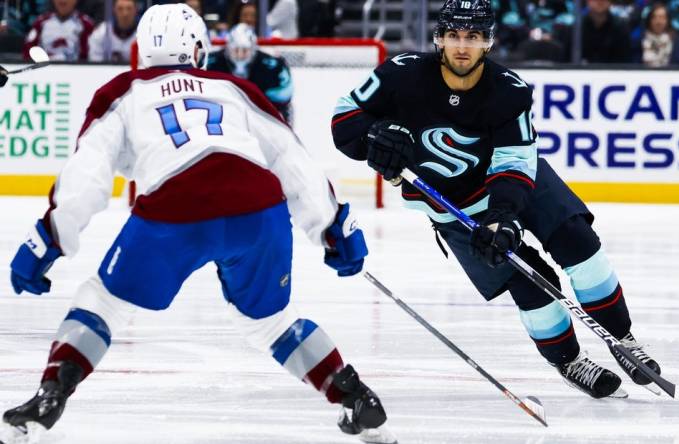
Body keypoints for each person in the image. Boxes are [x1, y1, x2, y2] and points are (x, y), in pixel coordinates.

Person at [1, 4, 395, 444]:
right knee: (272, 322)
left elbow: (86, 175)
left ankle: (51, 395)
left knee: (103, 302)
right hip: (258, 208)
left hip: (177, 208)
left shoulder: (124, 90)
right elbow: (292, 158)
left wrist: (50, 238)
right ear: (197, 49)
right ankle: (352, 395)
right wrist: (332, 226)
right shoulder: (235, 88)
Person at [331, 0, 662, 399]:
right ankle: (569, 360)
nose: (462, 47)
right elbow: (345, 118)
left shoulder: (509, 91)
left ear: (488, 42)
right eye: (453, 35)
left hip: (517, 184)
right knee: (529, 284)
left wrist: (504, 217)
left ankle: (622, 338)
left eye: (472, 37)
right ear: (439, 38)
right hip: (451, 207)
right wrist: (373, 138)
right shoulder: (402, 74)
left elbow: (515, 160)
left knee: (578, 242)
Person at [207, 23, 294, 124]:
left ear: (253, 49)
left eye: (244, 50)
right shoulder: (211, 63)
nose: (240, 55)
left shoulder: (272, 67)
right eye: (236, 50)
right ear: (228, 49)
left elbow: (282, 100)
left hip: (263, 119)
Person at [23, 0, 94, 61]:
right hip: (44, 72)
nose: (63, 1)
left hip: (75, 72)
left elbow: (90, 55)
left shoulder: (86, 24)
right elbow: (28, 52)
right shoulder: (40, 23)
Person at [642, 2, 674, 66]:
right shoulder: (639, 40)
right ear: (649, 20)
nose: (658, 21)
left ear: (668, 20)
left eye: (662, 17)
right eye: (654, 17)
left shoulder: (677, 42)